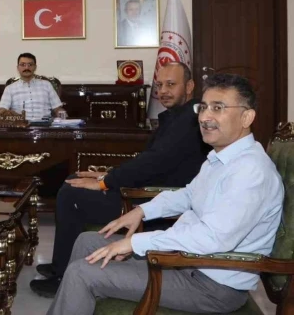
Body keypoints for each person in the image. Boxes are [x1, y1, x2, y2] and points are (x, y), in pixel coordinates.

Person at [47, 73, 283, 315]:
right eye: (203, 107)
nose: (205, 117)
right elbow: (188, 195)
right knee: (87, 241)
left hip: (210, 284)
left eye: (218, 108)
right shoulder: (220, 158)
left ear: (246, 117)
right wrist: (142, 211)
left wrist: (135, 242)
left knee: (81, 273)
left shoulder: (251, 172)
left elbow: (212, 239)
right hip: (187, 262)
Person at [31, 61, 207, 297]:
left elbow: (152, 163)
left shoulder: (189, 121)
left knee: (71, 195)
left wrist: (105, 182)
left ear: (189, 86)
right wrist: (106, 175)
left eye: (171, 84)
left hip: (155, 204)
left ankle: (62, 276)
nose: (163, 91)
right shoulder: (179, 116)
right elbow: (150, 162)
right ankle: (60, 265)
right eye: (159, 85)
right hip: (149, 190)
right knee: (73, 180)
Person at [0, 53, 66, 120]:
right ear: (18, 68)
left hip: (44, 125)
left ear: (35, 67)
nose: (26, 67)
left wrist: (63, 117)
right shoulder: (10, 88)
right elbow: (2, 110)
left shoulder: (47, 85)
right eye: (23, 65)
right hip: (20, 125)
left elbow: (57, 108)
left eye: (30, 64)